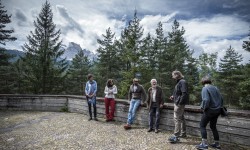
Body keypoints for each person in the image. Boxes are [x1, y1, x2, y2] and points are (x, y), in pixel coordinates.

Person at [195, 76, 223, 150]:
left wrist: (203, 108)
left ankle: (204, 145)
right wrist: (219, 107)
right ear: (210, 81)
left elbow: (206, 100)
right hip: (217, 110)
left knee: (202, 125)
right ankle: (217, 144)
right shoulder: (216, 88)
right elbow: (221, 99)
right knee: (213, 127)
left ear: (203, 82)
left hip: (209, 110)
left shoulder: (205, 88)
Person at [168, 70, 189, 143]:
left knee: (177, 119)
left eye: (173, 75)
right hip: (178, 102)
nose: (172, 76)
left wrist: (179, 103)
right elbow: (179, 93)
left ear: (177, 75)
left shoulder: (182, 82)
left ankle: (176, 136)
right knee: (182, 118)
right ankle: (183, 133)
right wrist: (173, 96)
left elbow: (184, 93)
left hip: (179, 104)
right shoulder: (179, 82)